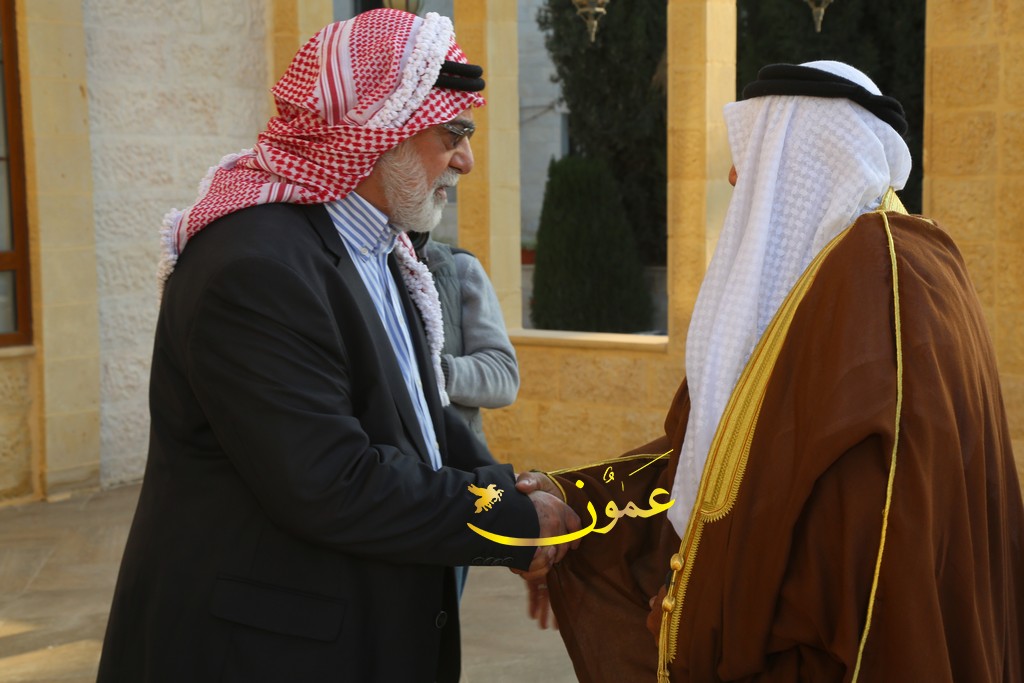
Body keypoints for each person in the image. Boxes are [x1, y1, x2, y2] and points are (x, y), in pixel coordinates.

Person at [96, 10, 578, 683]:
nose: (465, 160)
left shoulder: (378, 247)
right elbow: (330, 480)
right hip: (261, 652)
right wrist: (511, 519)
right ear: (379, 128)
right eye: (453, 132)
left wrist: (510, 496)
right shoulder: (255, 267)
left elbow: (415, 416)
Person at [516, 61, 1024, 682]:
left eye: (752, 155)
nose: (735, 177)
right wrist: (575, 496)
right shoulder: (861, 267)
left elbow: (868, 550)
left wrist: (716, 613)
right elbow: (721, 460)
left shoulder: (878, 278)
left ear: (805, 157)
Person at [408, 230, 520, 447]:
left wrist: (434, 373)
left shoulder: (460, 267)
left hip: (458, 456)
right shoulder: (351, 268)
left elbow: (504, 376)